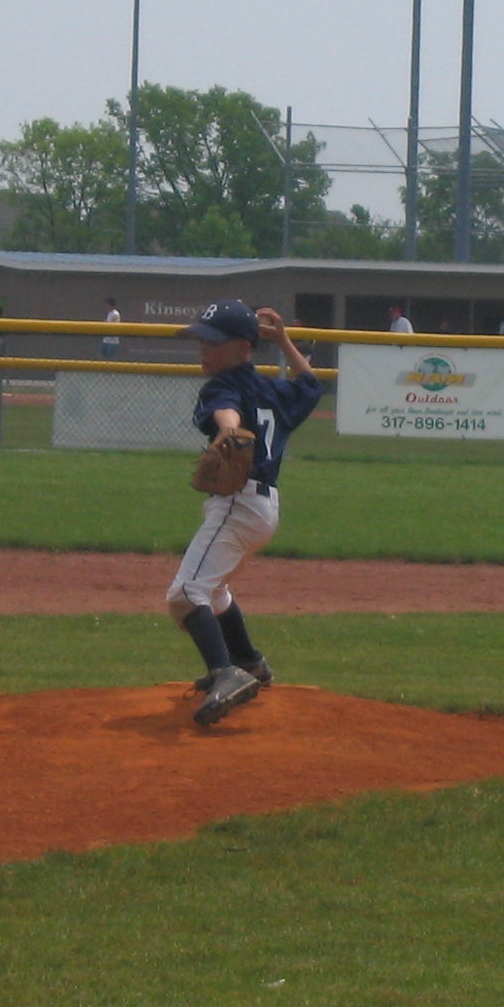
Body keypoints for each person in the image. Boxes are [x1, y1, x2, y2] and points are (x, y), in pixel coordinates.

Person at [167, 298, 320, 726]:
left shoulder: (222, 386)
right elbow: (310, 385)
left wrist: (230, 429)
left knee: (185, 594)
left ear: (244, 348)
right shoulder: (273, 390)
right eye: (202, 341)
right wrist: (285, 341)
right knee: (214, 591)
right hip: (263, 508)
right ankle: (249, 662)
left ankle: (226, 672)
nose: (204, 350)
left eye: (215, 343)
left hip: (238, 504)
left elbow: (226, 409)